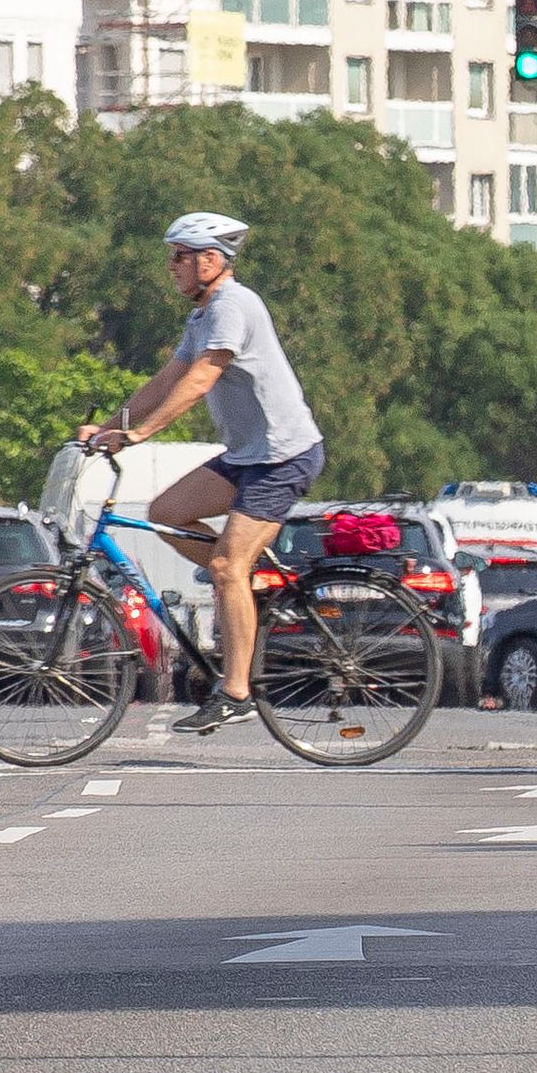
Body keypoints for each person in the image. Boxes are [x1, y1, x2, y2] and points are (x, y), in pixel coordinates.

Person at [79, 212, 324, 736]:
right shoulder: (203, 315)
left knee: (226, 569)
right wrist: (107, 427)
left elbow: (199, 379)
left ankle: (236, 692)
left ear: (211, 260)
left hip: (282, 456)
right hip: (246, 455)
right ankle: (242, 584)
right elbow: (166, 377)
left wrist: (142, 434)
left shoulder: (234, 305)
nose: (171, 267)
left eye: (179, 256)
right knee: (166, 512)